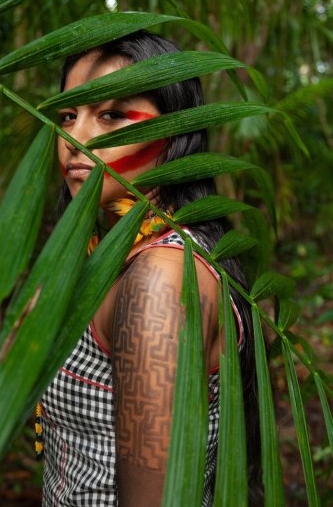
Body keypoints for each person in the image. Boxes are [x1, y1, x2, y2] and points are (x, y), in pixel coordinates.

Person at [38, 31, 258, 506]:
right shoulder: (105, 251)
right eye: (68, 116)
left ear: (174, 133)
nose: (75, 140)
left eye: (111, 115)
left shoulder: (160, 280)